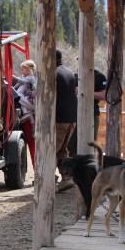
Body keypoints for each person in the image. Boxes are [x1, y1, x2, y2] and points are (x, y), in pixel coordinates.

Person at [67, 68, 107, 155]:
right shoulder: (74, 77)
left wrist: (86, 92)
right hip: (75, 115)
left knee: (90, 144)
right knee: (71, 145)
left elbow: (104, 95)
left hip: (91, 114)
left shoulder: (99, 77)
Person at [55, 49, 78, 191]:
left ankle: (48, 180)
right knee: (62, 151)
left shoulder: (55, 73)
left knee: (51, 152)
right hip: (71, 119)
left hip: (59, 119)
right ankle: (67, 178)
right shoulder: (69, 72)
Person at [13, 60, 36, 167]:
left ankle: (37, 167)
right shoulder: (25, 79)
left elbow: (22, 84)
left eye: (23, 69)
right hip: (29, 108)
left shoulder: (30, 79)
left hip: (31, 107)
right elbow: (18, 84)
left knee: (33, 143)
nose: (21, 71)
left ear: (29, 69)